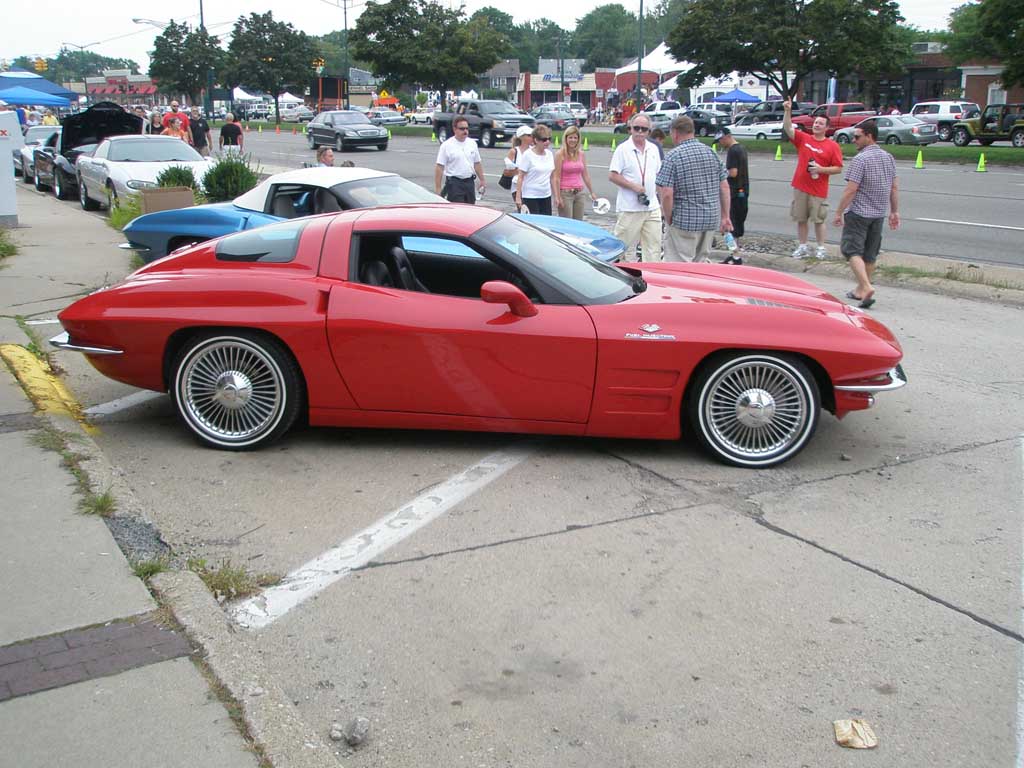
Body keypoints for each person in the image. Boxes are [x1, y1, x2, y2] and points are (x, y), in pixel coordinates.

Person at [832, 120, 898, 310]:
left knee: (851, 250)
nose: (854, 140)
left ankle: (867, 286)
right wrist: (894, 211)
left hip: (859, 212)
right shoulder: (888, 157)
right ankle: (861, 289)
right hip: (878, 213)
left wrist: (839, 212)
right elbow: (894, 187)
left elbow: (851, 189)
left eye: (858, 136)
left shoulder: (860, 159)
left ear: (870, 136)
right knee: (870, 253)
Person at [655, 115, 730, 263]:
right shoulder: (711, 153)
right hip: (710, 219)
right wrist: (725, 216)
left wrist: (668, 216)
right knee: (701, 261)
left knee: (679, 263)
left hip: (684, 220)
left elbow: (667, 193)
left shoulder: (673, 157)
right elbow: (725, 187)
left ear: (675, 133)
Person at [782, 98, 843, 260]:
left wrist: (821, 169)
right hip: (800, 186)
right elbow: (788, 128)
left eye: (821, 123)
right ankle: (802, 246)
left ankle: (821, 247)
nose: (817, 125)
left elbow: (838, 168)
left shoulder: (832, 146)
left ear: (827, 128)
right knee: (801, 218)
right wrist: (787, 111)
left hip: (818, 189)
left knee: (818, 219)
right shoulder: (804, 139)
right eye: (816, 122)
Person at [608, 113, 662, 262]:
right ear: (630, 129)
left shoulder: (653, 149)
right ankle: (614, 272)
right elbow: (613, 175)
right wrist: (633, 187)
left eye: (644, 129)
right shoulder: (623, 149)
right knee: (619, 247)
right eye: (636, 128)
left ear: (649, 131)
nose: (640, 132)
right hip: (630, 208)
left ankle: (651, 277)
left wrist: (662, 202)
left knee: (654, 247)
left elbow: (659, 176)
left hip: (651, 207)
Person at [715, 126, 749, 263]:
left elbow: (733, 172)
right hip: (743, 191)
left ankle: (735, 255)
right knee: (737, 225)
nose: (720, 143)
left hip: (735, 192)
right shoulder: (741, 148)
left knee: (729, 225)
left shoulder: (733, 151)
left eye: (721, 140)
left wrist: (720, 172)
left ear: (727, 136)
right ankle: (735, 253)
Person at [434, 115, 485, 204]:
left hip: (469, 182)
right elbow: (439, 167)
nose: (465, 131)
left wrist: (482, 180)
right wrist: (438, 189)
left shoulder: (472, 143)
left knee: (470, 209)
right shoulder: (446, 145)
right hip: (454, 183)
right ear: (454, 129)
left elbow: (477, 163)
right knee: (458, 210)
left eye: (466, 128)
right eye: (462, 129)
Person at [552, 125, 597, 220]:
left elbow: (585, 175)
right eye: (570, 137)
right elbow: (556, 177)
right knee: (567, 222)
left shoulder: (581, 154)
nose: (573, 140)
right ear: (566, 138)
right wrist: (557, 196)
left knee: (578, 222)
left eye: (575, 138)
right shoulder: (560, 154)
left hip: (579, 192)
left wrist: (592, 192)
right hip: (565, 193)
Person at [514, 125, 555, 215]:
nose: (547, 142)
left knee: (545, 223)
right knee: (533, 224)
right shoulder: (528, 155)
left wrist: (556, 196)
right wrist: (518, 197)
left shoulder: (549, 154)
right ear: (536, 140)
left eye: (549, 139)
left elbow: (552, 177)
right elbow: (520, 176)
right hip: (531, 195)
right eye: (544, 140)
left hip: (545, 194)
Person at [503, 125, 533, 203]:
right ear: (521, 137)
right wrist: (521, 171)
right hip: (517, 186)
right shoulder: (514, 151)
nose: (531, 137)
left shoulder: (533, 151)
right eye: (529, 135)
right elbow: (507, 172)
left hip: (530, 185)